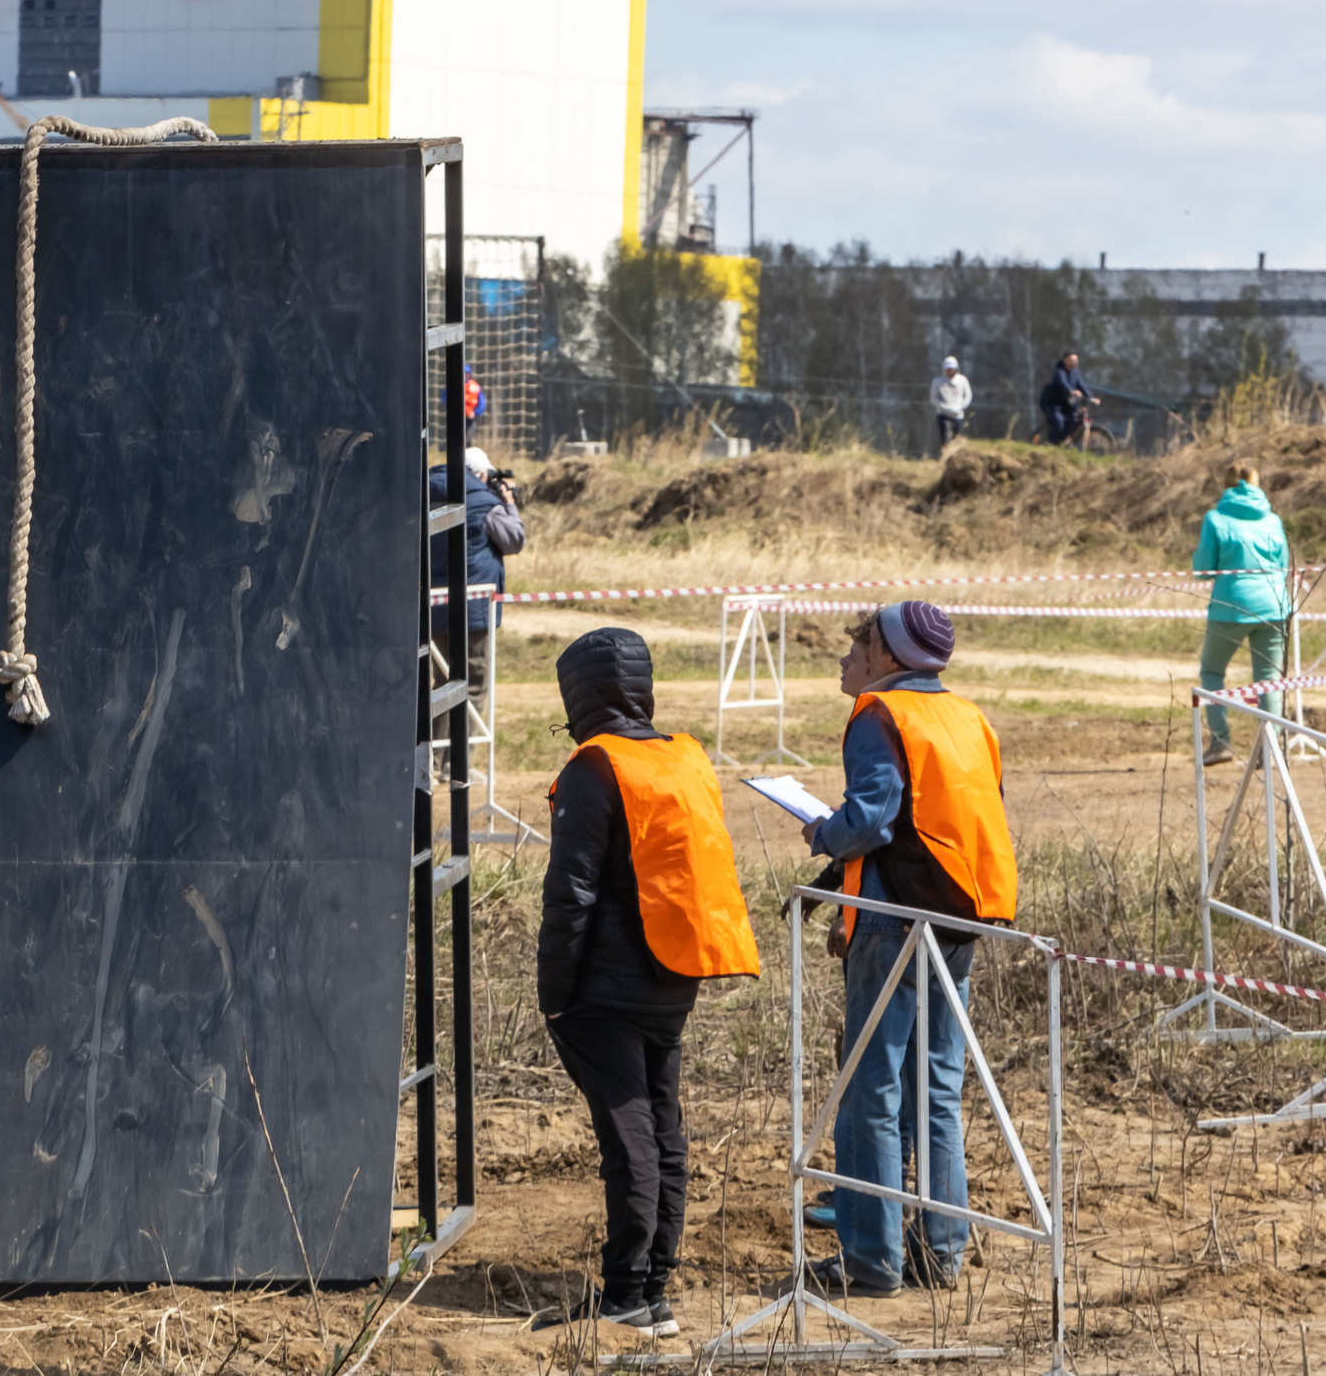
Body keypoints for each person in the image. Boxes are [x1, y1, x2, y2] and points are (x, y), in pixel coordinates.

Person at [534, 627, 760, 1337]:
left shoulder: (593, 766)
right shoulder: (683, 758)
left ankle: (629, 1292)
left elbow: (569, 893)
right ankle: (653, 1288)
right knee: (663, 1129)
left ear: (581, 696)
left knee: (628, 1137)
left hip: (604, 989)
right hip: (676, 975)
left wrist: (554, 992)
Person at [799, 602, 1016, 1300]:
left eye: (857, 643)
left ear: (887, 655)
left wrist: (822, 834)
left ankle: (871, 1260)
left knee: (873, 1090)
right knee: (937, 1088)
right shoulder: (967, 716)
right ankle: (942, 1252)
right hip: (962, 912)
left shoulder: (878, 713)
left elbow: (873, 816)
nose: (847, 657)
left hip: (898, 921)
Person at [1192, 461, 1291, 767]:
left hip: (1230, 606)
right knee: (1269, 679)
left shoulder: (1215, 518)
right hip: (1274, 605)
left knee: (1212, 672)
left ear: (1225, 485)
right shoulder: (1272, 520)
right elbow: (1284, 564)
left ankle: (1220, 742)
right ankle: (1270, 748)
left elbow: (1202, 570)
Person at [429, 446, 524, 696]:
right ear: (481, 475)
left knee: (442, 684)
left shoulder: (427, 496)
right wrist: (509, 504)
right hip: (472, 609)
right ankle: (466, 737)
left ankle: (438, 737)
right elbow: (514, 539)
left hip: (434, 605)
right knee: (473, 684)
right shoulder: (483, 504)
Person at [1036, 352, 1097, 447]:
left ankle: (1065, 442)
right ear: (1066, 360)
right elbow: (1063, 383)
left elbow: (1081, 385)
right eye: (1072, 360)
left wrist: (1091, 397)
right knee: (1059, 422)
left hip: (1067, 405)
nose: (1075, 362)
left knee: (1074, 420)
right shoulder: (1059, 372)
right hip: (1053, 404)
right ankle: (1055, 445)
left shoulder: (1076, 373)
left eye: (1076, 360)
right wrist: (1072, 391)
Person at [930, 357, 969, 454]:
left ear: (956, 368)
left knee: (958, 437)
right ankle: (944, 455)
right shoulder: (938, 381)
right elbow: (933, 398)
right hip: (943, 414)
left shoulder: (962, 380)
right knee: (946, 436)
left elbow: (968, 395)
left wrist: (962, 406)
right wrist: (943, 407)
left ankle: (957, 456)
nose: (951, 371)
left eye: (953, 368)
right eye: (948, 369)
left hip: (958, 415)